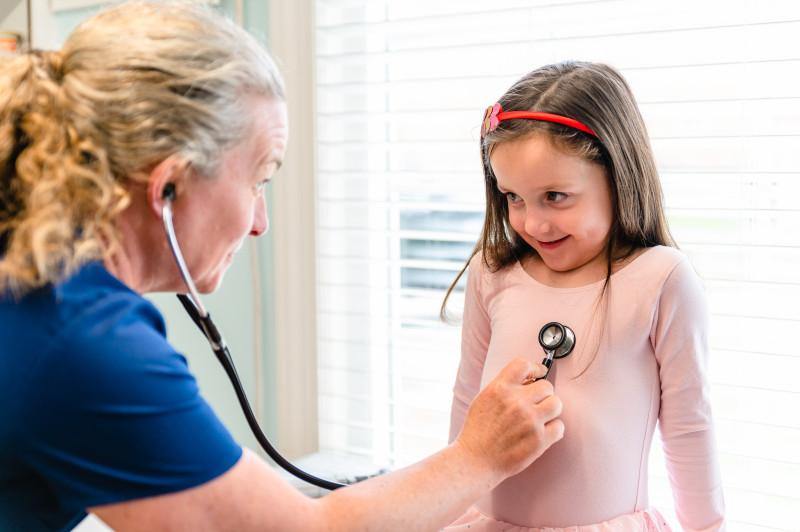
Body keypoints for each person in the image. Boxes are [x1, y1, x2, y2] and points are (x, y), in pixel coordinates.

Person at [0, 3, 566, 531]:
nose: (259, 222)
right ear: (168, 185)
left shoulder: (38, 281)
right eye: (259, 179)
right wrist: (477, 458)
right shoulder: (81, 340)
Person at [441, 62, 726, 531]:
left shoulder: (660, 280)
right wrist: (444, 509)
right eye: (513, 197)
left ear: (617, 177)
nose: (534, 223)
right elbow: (467, 401)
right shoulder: (492, 275)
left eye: (555, 196)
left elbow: (690, 427)